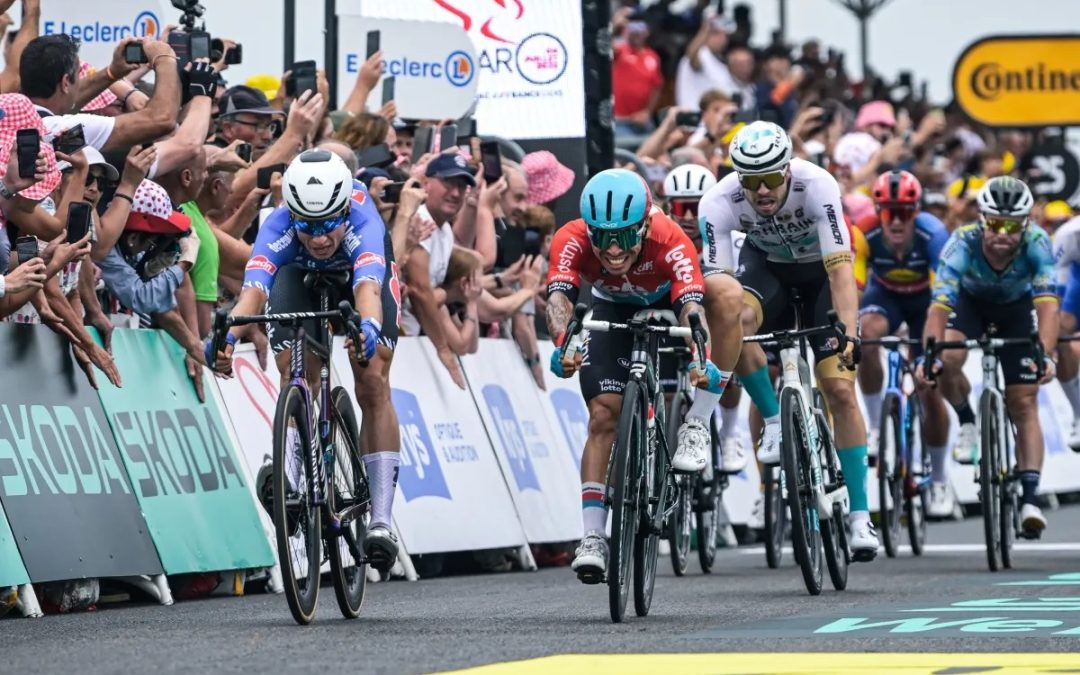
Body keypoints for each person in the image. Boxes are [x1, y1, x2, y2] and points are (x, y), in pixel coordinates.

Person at [206, 149, 401, 571]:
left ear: (345, 206)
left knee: (373, 378)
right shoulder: (278, 224)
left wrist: (366, 328)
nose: (318, 237)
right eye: (307, 226)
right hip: (299, 277)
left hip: (356, 277)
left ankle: (382, 520)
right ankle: (292, 476)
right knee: (295, 371)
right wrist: (225, 337)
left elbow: (368, 290)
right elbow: (253, 293)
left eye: (329, 223)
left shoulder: (365, 221)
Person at [698, 121, 879, 560]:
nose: (762, 192)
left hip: (819, 274)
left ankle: (860, 517)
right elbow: (718, 289)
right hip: (768, 269)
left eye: (771, 179)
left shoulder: (818, 185)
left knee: (838, 386)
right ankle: (775, 419)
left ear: (788, 170)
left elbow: (840, 271)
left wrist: (849, 333)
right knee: (733, 319)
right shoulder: (718, 201)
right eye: (751, 181)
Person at [546, 168, 719, 582]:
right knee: (603, 414)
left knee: (684, 359)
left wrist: (700, 354)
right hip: (611, 306)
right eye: (601, 237)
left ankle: (676, 432)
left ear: (644, 224)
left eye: (624, 236)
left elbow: (693, 310)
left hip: (667, 302)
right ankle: (592, 537)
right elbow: (559, 300)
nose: (612, 249)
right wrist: (563, 344)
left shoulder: (670, 239)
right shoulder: (570, 237)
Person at [916, 177, 1057, 539]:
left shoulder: (1039, 244)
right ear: (982, 219)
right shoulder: (961, 243)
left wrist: (1046, 354)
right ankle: (966, 420)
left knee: (1023, 401)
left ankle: (1030, 497)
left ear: (1025, 224)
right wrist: (930, 354)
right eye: (994, 223)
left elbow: (1048, 308)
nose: (1002, 234)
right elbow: (939, 306)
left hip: (1016, 308)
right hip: (971, 304)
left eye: (1012, 226)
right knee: (947, 357)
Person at [856, 170, 953, 517]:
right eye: (888, 212)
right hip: (886, 297)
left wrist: (927, 347)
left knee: (928, 384)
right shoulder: (864, 231)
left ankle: (940, 478)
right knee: (866, 335)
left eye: (904, 212)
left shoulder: (933, 234)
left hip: (926, 303)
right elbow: (853, 286)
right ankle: (875, 427)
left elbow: (943, 296)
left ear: (916, 211)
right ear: (878, 211)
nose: (896, 221)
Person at [662, 163, 748, 473]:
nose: (686, 216)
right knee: (669, 393)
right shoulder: (664, 238)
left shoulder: (729, 237)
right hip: (678, 316)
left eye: (694, 207)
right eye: (680, 207)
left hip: (711, 317)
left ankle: (728, 432)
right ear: (668, 206)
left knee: (730, 365)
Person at [1051, 213, 1080, 451]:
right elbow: (1053, 297)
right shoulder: (1067, 235)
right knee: (1059, 330)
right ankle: (1079, 414)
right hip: (1076, 283)